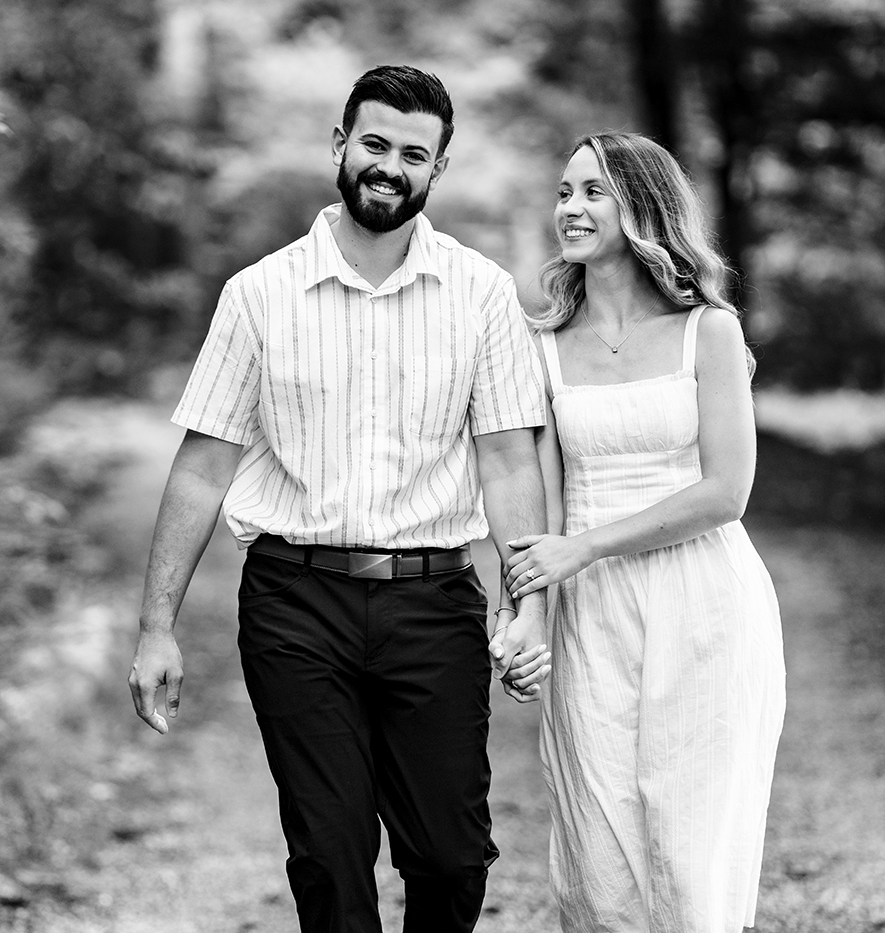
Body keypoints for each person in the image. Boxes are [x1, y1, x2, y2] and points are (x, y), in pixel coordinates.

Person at [127, 65, 554, 933]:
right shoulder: (258, 294)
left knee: (450, 853)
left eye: (412, 153)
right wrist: (156, 625)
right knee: (328, 852)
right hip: (295, 602)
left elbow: (510, 462)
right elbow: (204, 465)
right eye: (374, 144)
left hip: (433, 600)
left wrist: (527, 601)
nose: (389, 166)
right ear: (340, 145)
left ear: (437, 168)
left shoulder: (481, 295)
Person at [500, 132, 786, 933]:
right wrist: (525, 618)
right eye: (563, 192)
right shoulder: (543, 348)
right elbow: (546, 510)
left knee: (692, 858)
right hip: (593, 619)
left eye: (593, 191)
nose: (570, 207)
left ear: (644, 205)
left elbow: (727, 491)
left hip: (706, 604)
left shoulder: (711, 332)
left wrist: (585, 547)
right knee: (600, 864)